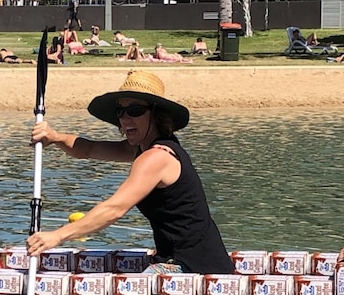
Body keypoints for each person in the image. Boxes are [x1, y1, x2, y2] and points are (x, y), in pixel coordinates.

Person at [26, 69, 233, 275]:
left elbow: (114, 209)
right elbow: (88, 149)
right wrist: (55, 137)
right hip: (179, 261)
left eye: (135, 111)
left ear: (156, 113)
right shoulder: (141, 148)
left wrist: (57, 236)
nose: (125, 119)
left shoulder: (156, 158)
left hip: (195, 268)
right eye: (120, 111)